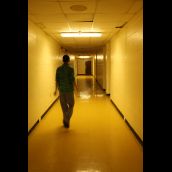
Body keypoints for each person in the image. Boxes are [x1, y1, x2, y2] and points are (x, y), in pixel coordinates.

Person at [54, 55, 76, 128]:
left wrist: (55, 89)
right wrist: (77, 89)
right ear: (69, 60)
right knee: (71, 104)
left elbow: (57, 80)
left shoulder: (58, 69)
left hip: (61, 90)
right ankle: (66, 119)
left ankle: (65, 120)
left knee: (64, 106)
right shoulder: (71, 69)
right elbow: (72, 80)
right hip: (69, 90)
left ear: (62, 60)